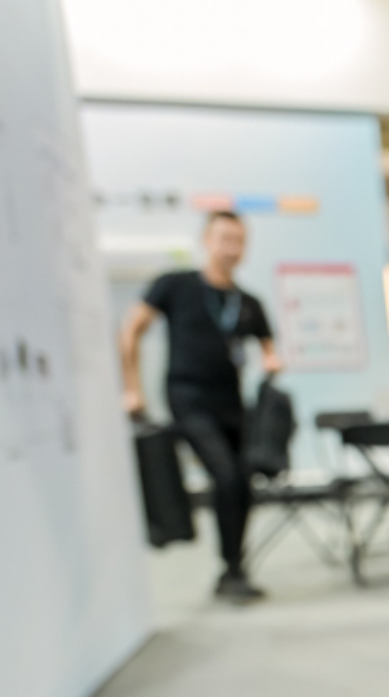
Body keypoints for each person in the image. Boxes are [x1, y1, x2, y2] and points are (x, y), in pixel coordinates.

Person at [119, 210, 281, 602]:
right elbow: (131, 330)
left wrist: (272, 361)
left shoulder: (247, 302)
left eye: (238, 241)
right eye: (224, 239)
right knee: (225, 476)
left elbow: (268, 348)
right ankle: (230, 568)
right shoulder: (176, 286)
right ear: (207, 240)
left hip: (231, 402)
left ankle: (233, 569)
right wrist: (132, 389)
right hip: (188, 398)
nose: (231, 249)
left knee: (241, 482)